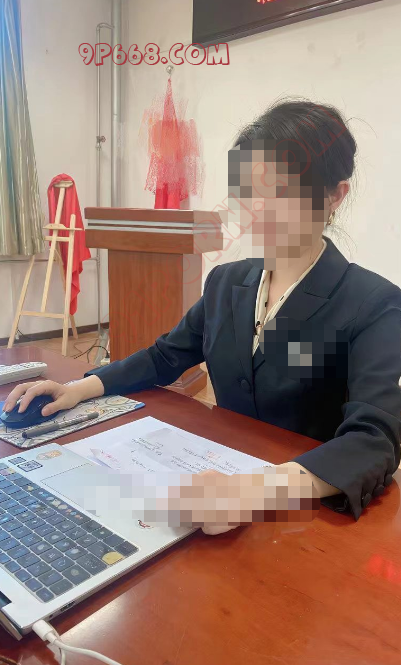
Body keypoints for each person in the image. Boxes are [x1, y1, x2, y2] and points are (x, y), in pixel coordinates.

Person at [4, 100, 401, 533]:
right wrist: (78, 389)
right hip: (212, 488)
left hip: (303, 513)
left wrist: (255, 490)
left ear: (334, 195)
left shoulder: (374, 303)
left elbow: (374, 438)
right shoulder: (226, 282)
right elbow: (164, 357)